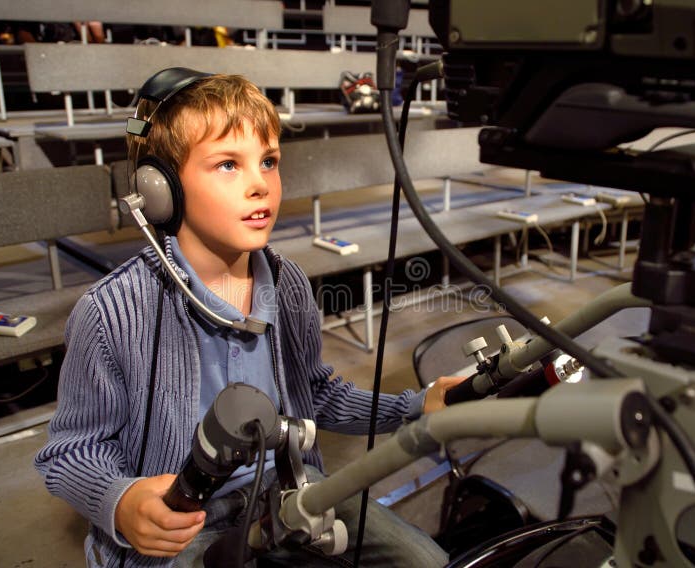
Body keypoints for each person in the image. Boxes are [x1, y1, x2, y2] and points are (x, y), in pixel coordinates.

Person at [35, 70, 465, 568]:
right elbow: (69, 452)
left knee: (427, 562)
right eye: (227, 165)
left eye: (268, 161)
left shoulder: (289, 285)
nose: (260, 183)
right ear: (159, 189)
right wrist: (121, 501)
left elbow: (317, 393)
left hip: (288, 494)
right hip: (185, 521)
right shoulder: (111, 311)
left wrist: (414, 406)